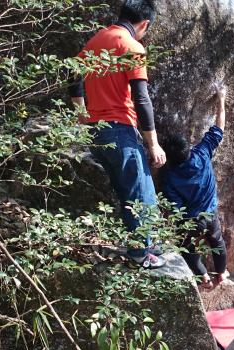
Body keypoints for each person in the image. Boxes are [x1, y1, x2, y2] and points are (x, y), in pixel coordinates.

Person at [69, 0, 167, 269]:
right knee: (139, 191)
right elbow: (142, 99)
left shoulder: (96, 40)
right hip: (120, 128)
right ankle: (140, 253)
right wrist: (153, 144)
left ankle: (147, 242)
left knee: (134, 187)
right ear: (144, 24)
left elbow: (72, 75)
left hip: (97, 131)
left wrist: (81, 113)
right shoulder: (132, 47)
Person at [160, 84, 229, 288]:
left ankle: (204, 278)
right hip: (210, 212)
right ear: (188, 148)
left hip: (191, 219)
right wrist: (221, 98)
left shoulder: (169, 177)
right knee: (217, 241)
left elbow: (176, 208)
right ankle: (221, 273)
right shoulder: (202, 153)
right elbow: (219, 128)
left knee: (187, 247)